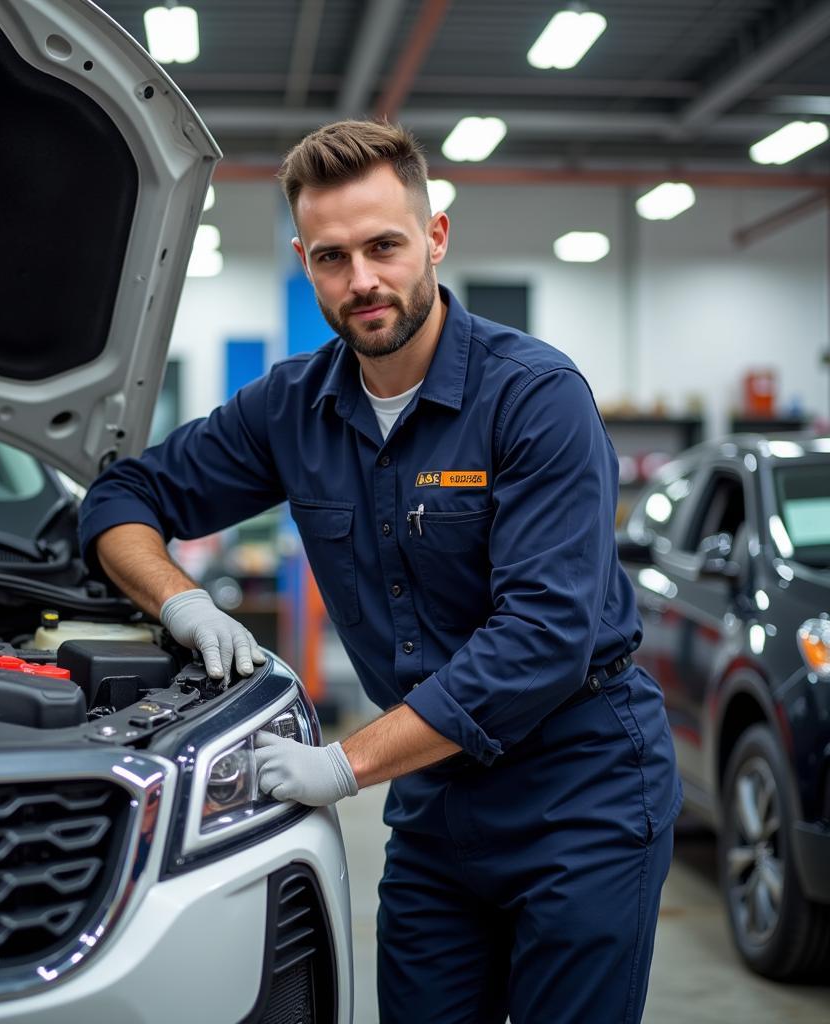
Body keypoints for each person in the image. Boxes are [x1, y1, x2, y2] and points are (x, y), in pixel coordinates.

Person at [79, 119, 682, 1024]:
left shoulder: (533, 397)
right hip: (438, 799)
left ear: (435, 237)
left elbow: (543, 639)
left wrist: (344, 765)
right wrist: (183, 602)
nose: (361, 280)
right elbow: (119, 501)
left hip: (582, 789)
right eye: (331, 257)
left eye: (384, 246)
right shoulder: (290, 408)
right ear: (304, 261)